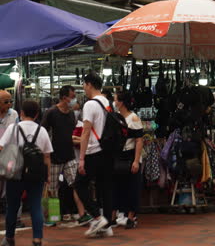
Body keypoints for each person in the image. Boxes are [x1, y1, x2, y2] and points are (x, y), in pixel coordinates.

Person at [0, 101, 53, 246]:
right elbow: (47, 156)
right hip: (36, 174)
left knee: (12, 206)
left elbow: (1, 147)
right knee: (36, 206)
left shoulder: (13, 128)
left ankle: (10, 238)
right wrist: (47, 175)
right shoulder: (41, 131)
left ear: (21, 113)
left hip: (15, 173)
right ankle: (37, 239)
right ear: (37, 115)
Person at [41, 85, 91, 226]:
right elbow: (43, 132)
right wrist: (45, 154)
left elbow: (68, 134)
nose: (74, 99)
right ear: (64, 98)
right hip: (53, 157)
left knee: (77, 184)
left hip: (69, 156)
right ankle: (53, 217)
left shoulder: (71, 114)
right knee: (52, 189)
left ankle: (82, 214)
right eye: (72, 96)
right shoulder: (51, 112)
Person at [75, 73, 114, 237]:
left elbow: (86, 132)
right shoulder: (108, 102)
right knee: (104, 189)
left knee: (79, 185)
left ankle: (98, 218)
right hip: (108, 151)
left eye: (84, 84)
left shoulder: (90, 105)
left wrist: (82, 158)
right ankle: (107, 226)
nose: (83, 88)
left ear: (89, 84)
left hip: (94, 151)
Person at [111, 91, 144, 229]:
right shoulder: (115, 117)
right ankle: (112, 216)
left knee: (132, 187)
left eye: (115, 100)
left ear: (121, 102)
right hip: (118, 155)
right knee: (116, 187)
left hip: (131, 156)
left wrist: (136, 161)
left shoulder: (134, 118)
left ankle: (131, 217)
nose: (114, 102)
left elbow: (139, 140)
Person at [0, 91, 23, 228]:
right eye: (5, 102)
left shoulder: (13, 114)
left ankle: (17, 219)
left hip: (10, 156)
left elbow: (16, 133)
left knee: (13, 187)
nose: (9, 104)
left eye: (10, 101)